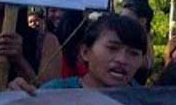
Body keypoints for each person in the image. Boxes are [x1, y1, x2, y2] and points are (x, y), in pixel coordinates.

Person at [12, 14, 147, 91]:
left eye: (133, 53)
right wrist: (17, 102)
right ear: (85, 52)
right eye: (112, 48)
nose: (122, 59)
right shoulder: (55, 93)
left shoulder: (148, 103)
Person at [120, 0, 156, 85]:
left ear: (142, 21)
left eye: (127, 19)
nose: (122, 23)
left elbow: (147, 63)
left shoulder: (143, 40)